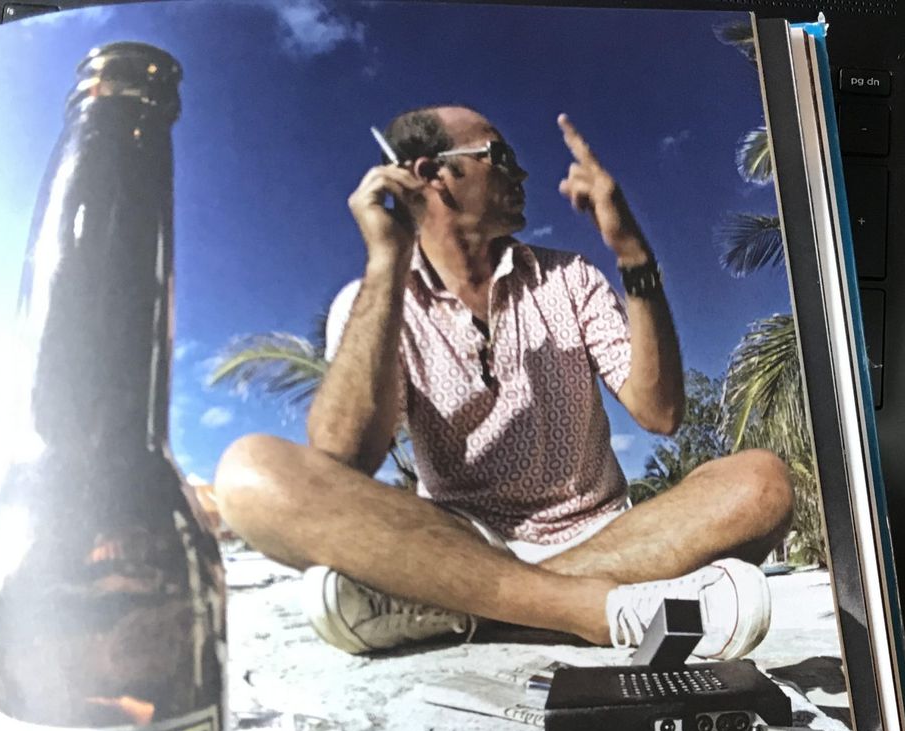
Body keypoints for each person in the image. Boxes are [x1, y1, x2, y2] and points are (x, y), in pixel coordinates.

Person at [214, 105, 793, 660]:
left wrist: (632, 253)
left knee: (761, 481)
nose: (521, 172)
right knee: (249, 474)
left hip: (606, 539)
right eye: (499, 156)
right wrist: (387, 261)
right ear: (429, 174)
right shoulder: (372, 300)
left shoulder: (568, 277)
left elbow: (660, 413)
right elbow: (343, 455)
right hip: (459, 542)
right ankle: (582, 607)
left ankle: (480, 607)